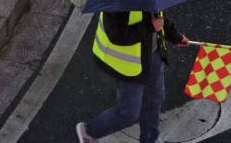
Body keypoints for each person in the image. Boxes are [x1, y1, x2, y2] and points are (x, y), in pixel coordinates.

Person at [75, 11, 189, 143]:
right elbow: (117, 34)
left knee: (154, 98)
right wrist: (151, 27)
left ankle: (150, 139)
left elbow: (158, 15)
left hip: (152, 54)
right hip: (129, 65)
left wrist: (174, 35)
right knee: (128, 113)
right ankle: (89, 131)